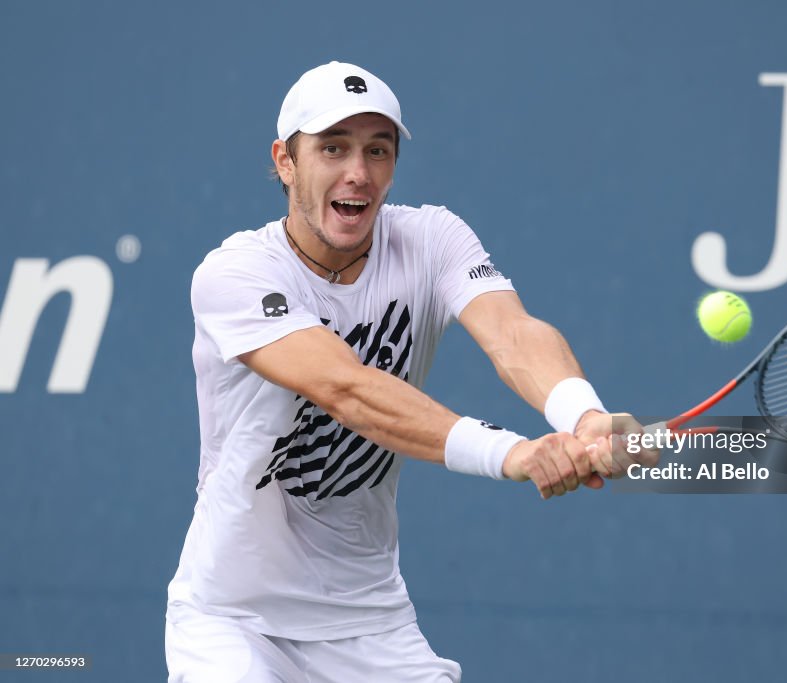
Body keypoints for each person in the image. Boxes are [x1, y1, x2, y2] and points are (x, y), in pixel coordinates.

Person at [165, 61, 658, 682]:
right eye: (333, 148)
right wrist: (514, 454)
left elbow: (513, 334)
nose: (358, 172)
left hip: (371, 622)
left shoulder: (433, 239)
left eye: (378, 150)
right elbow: (347, 389)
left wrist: (583, 416)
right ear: (286, 162)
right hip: (233, 622)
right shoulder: (235, 275)